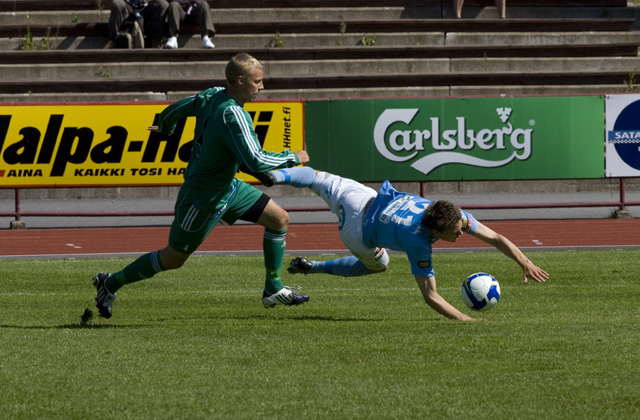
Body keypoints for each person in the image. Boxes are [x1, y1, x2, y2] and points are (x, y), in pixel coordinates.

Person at [93, 53, 310, 318]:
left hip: (228, 188)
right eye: (258, 82)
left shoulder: (213, 94)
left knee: (278, 219)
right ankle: (110, 282)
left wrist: (165, 125)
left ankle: (273, 288)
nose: (262, 87)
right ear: (240, 80)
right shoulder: (234, 114)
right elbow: (256, 159)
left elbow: (181, 107)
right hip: (202, 199)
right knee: (173, 259)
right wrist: (293, 157)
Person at [265, 166, 548, 321]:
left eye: (460, 226)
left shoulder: (452, 216)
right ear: (435, 229)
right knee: (380, 265)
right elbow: (431, 297)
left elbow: (496, 238)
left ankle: (275, 176)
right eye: (454, 231)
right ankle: (313, 267)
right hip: (358, 231)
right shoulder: (418, 241)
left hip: (362, 198)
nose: (460, 233)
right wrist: (466, 320)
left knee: (315, 176)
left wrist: (525, 262)